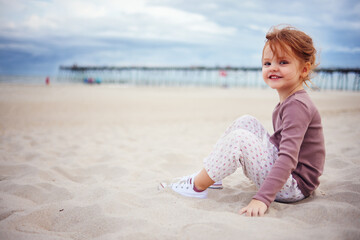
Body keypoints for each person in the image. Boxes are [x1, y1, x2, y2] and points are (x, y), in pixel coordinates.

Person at [167, 25, 325, 217]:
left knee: (240, 138)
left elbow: (288, 158)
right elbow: (279, 144)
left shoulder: (296, 106)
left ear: (304, 69)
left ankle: (197, 187)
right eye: (267, 63)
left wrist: (262, 199)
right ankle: (212, 176)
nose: (273, 67)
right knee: (246, 121)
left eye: (283, 62)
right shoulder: (290, 100)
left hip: (294, 186)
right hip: (290, 178)